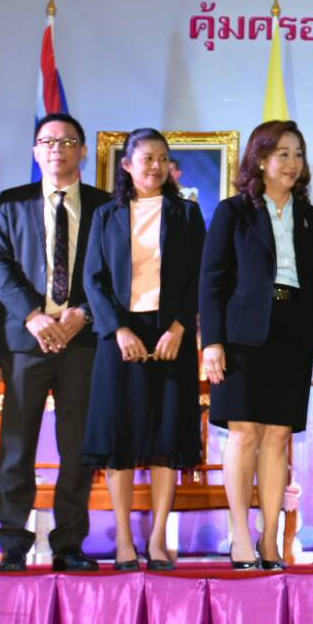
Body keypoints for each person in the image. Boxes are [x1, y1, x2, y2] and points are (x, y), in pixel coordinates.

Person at [0, 113, 109, 572]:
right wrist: (34, 315)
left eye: (67, 141)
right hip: (25, 339)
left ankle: (69, 543)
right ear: (36, 151)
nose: (57, 149)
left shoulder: (104, 206)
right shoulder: (11, 202)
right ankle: (13, 542)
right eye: (48, 141)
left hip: (83, 340)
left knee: (77, 447)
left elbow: (115, 268)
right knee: (17, 445)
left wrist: (83, 313)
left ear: (82, 151)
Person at [201, 121, 313, 571]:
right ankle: (240, 534)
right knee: (245, 432)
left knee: (277, 437)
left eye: (298, 154)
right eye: (282, 153)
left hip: (294, 331)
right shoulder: (233, 212)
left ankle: (270, 538)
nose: (292, 163)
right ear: (259, 159)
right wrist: (212, 341)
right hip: (242, 334)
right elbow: (212, 280)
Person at [81, 129, 207, 571]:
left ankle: (156, 540)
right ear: (127, 165)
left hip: (170, 334)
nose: (155, 166)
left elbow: (199, 277)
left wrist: (179, 328)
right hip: (121, 335)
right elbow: (93, 279)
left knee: (166, 437)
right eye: (146, 158)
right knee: (120, 437)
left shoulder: (187, 213)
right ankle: (123, 542)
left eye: (162, 158)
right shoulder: (106, 215)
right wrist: (118, 330)